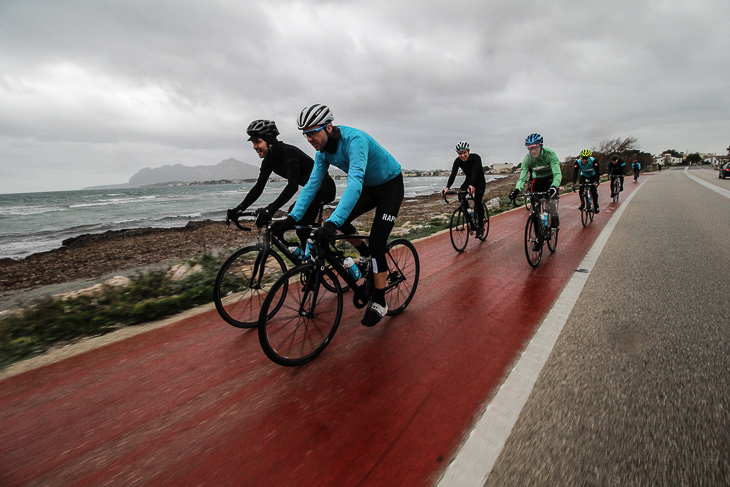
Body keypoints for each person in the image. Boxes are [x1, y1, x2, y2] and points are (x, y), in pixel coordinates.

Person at [271, 104, 404, 327]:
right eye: (305, 134)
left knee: (377, 242)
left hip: (390, 185)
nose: (309, 138)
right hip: (370, 189)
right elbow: (312, 185)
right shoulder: (322, 153)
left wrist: (332, 222)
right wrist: (291, 219)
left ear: (329, 127)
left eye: (313, 132)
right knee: (341, 225)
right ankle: (364, 253)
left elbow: (354, 181)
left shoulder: (355, 141)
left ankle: (380, 302)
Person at [227, 119, 336, 247]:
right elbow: (258, 187)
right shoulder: (268, 160)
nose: (254, 147)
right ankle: (310, 261)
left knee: (295, 217)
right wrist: (239, 208)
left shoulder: (289, 153)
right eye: (253, 143)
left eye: (257, 142)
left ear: (270, 140)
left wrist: (270, 209)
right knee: (302, 232)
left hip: (325, 189)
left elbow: (292, 186)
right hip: (311, 191)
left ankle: (317, 261)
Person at [509, 133, 562, 228]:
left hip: (550, 178)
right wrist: (516, 190)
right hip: (537, 179)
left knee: (550, 196)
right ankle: (538, 238)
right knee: (535, 207)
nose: (533, 151)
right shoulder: (527, 159)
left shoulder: (550, 154)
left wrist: (554, 186)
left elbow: (557, 174)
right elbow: (523, 177)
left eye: (535, 148)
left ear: (541, 145)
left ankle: (554, 215)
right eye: (530, 149)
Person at [440, 141, 487, 238]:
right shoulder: (457, 161)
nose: (462, 155)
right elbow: (453, 174)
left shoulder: (476, 158)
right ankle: (471, 221)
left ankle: (481, 226)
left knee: (477, 201)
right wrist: (447, 188)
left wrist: (472, 185)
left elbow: (474, 172)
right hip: (468, 180)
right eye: (460, 153)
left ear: (468, 151)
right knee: (461, 195)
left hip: (479, 181)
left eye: (464, 153)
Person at [572, 149, 600, 214]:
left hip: (593, 176)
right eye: (583, 159)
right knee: (581, 189)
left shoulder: (593, 161)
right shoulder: (578, 162)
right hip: (584, 175)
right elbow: (575, 173)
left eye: (586, 159)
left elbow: (597, 172)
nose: (584, 161)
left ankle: (596, 205)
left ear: (589, 158)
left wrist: (596, 181)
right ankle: (582, 204)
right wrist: (573, 182)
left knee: (593, 191)